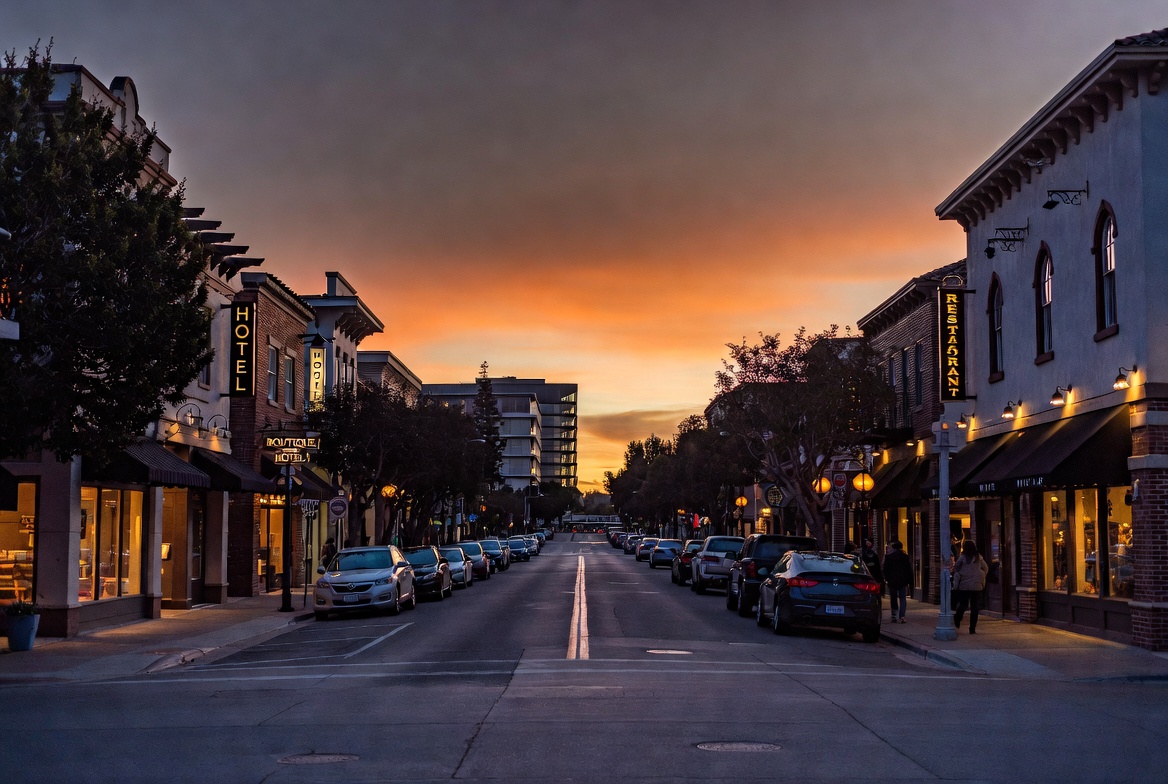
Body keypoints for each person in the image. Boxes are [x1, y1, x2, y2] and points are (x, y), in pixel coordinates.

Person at [952, 540, 989, 633]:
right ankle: (972, 628)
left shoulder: (962, 558)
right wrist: (981, 574)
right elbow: (986, 568)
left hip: (964, 586)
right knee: (975, 607)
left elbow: (956, 568)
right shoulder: (978, 558)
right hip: (976, 585)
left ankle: (957, 617)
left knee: (963, 604)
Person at [882, 540, 912, 623]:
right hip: (903, 581)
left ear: (894, 548)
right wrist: (908, 580)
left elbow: (885, 570)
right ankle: (902, 616)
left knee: (893, 598)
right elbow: (908, 570)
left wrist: (887, 579)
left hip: (892, 581)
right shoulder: (905, 557)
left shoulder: (889, 557)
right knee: (903, 599)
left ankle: (894, 616)